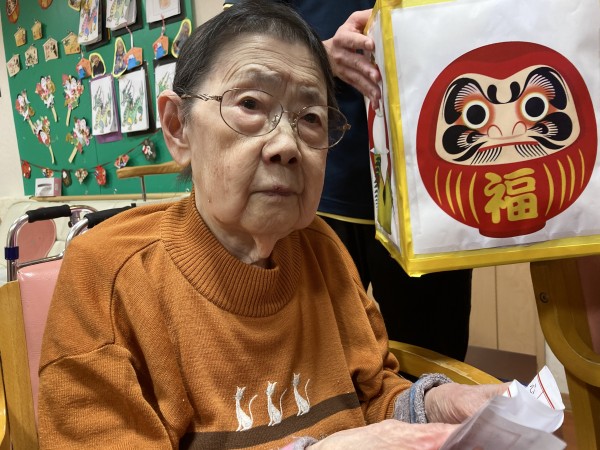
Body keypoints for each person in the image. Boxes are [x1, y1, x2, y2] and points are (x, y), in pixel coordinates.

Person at [38, 1, 504, 448]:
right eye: (250, 104)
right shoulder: (107, 274)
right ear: (178, 126)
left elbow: (373, 393)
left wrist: (438, 404)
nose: (286, 145)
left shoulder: (321, 246)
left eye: (311, 118)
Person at [224, 0, 473, 360]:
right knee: (311, 362)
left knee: (433, 363)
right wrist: (319, 56)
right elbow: (235, 40)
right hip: (317, 185)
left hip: (435, 179)